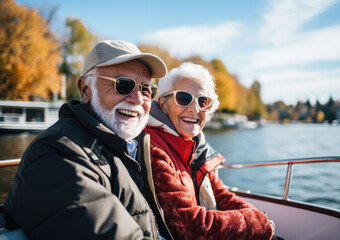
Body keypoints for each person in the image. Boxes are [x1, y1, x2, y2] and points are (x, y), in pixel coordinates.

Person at [4, 40, 173, 240]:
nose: (137, 98)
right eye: (123, 85)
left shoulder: (123, 147)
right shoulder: (57, 154)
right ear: (85, 90)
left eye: (147, 89)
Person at [144, 62, 275, 240]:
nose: (195, 109)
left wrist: (260, 218)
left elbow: (222, 195)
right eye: (183, 98)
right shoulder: (154, 148)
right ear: (162, 102)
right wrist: (257, 223)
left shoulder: (196, 146)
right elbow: (191, 226)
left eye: (203, 101)